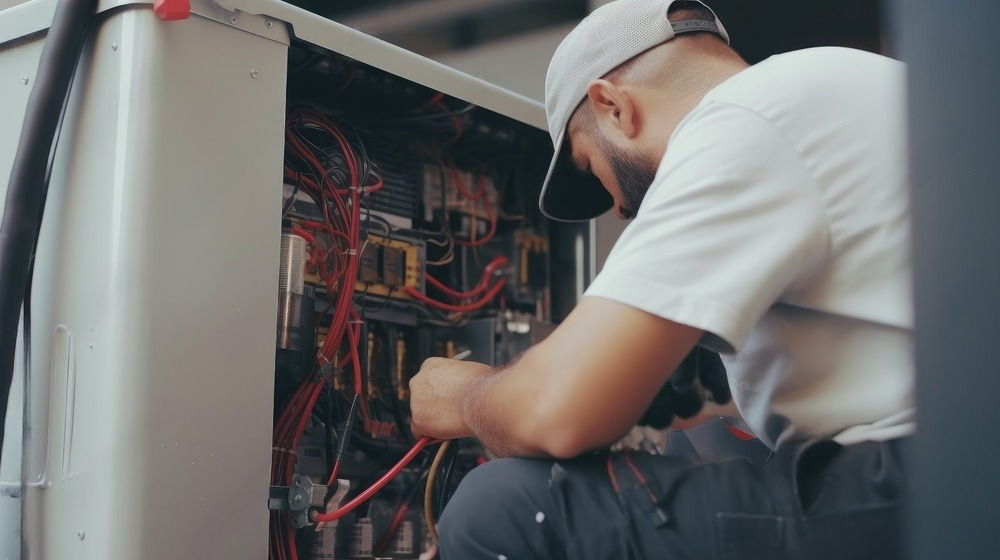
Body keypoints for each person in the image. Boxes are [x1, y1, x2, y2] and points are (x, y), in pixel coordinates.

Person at [408, 0, 913, 558]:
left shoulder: (744, 119)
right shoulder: (850, 83)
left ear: (612, 107)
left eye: (588, 166)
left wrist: (464, 397)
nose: (620, 209)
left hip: (908, 486)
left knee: (505, 506)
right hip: (950, 466)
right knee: (708, 439)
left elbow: (554, 413)